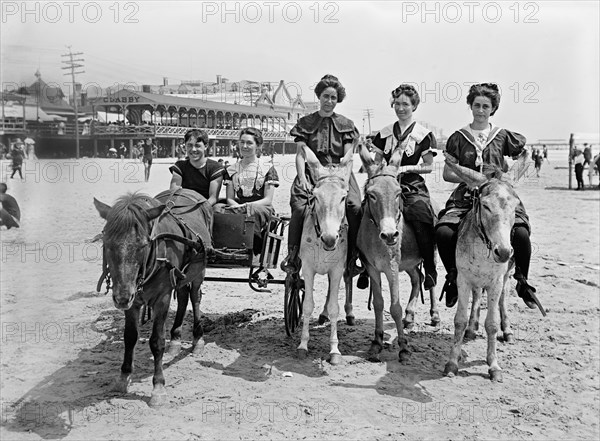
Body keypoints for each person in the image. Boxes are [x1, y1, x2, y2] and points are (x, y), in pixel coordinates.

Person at [435, 83, 539, 311]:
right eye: (476, 105)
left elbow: (525, 156)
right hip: (466, 196)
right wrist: (467, 178)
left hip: (497, 196)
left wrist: (509, 179)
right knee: (443, 232)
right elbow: (446, 173)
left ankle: (522, 281)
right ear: (470, 106)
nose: (480, 110)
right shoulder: (458, 137)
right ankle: (453, 277)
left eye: (486, 106)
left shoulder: (502, 136)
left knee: (521, 233)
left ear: (493, 109)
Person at [280, 74, 362, 277]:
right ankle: (292, 256)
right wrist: (302, 178)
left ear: (338, 100)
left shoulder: (346, 124)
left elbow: (348, 156)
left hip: (339, 174)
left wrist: (343, 179)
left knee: (354, 206)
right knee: (299, 207)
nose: (329, 101)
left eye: (333, 98)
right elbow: (300, 154)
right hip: (312, 171)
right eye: (326, 96)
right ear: (319, 96)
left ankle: (353, 257)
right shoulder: (306, 122)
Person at [367, 84, 438, 290]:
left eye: (405, 104)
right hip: (385, 184)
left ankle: (430, 267)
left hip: (411, 185)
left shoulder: (423, 134)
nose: (400, 108)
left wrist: (405, 168)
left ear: (414, 106)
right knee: (363, 211)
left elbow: (429, 166)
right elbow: (377, 159)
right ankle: (363, 262)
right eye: (397, 104)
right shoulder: (385, 133)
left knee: (421, 214)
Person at [215, 128, 279, 254]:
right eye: (242, 142)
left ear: (258, 145)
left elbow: (268, 200)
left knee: (252, 211)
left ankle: (252, 247)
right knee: (216, 209)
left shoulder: (267, 168)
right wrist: (237, 207)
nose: (244, 146)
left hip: (261, 208)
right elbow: (230, 198)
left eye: (249, 143)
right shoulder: (232, 169)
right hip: (238, 205)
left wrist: (247, 206)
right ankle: (222, 246)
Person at [169, 129, 225, 206]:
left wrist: (197, 211)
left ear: (206, 146)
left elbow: (213, 198)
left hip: (206, 206)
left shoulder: (215, 168)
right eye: (190, 145)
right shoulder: (180, 166)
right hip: (185, 204)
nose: (193, 149)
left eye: (197, 146)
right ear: (185, 146)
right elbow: (174, 192)